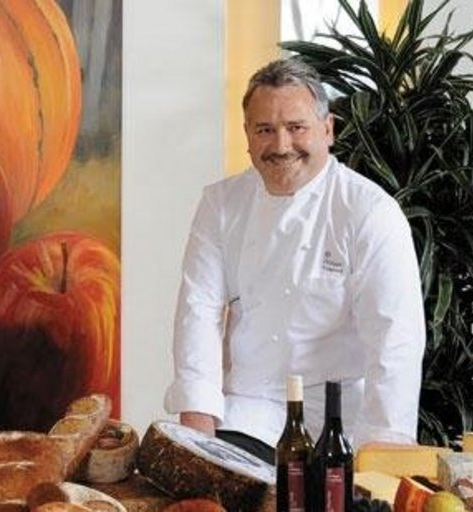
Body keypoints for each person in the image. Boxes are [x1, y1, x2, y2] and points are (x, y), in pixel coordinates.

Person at [163, 57, 426, 464]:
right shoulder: (221, 204)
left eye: (296, 127)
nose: (281, 145)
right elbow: (198, 312)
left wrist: (381, 455)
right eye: (265, 130)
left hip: (339, 424)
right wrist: (197, 440)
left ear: (328, 129)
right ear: (247, 135)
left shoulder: (370, 212)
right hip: (249, 414)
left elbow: (395, 340)